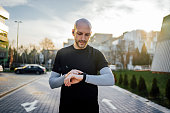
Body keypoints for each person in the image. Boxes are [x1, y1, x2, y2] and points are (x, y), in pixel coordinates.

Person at [49, 18, 115, 113]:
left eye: (87, 35)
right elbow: (52, 83)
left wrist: (82, 77)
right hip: (66, 109)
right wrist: (67, 77)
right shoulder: (62, 53)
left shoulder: (96, 54)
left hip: (90, 109)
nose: (83, 38)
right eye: (79, 33)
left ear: (90, 34)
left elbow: (110, 79)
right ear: (73, 32)